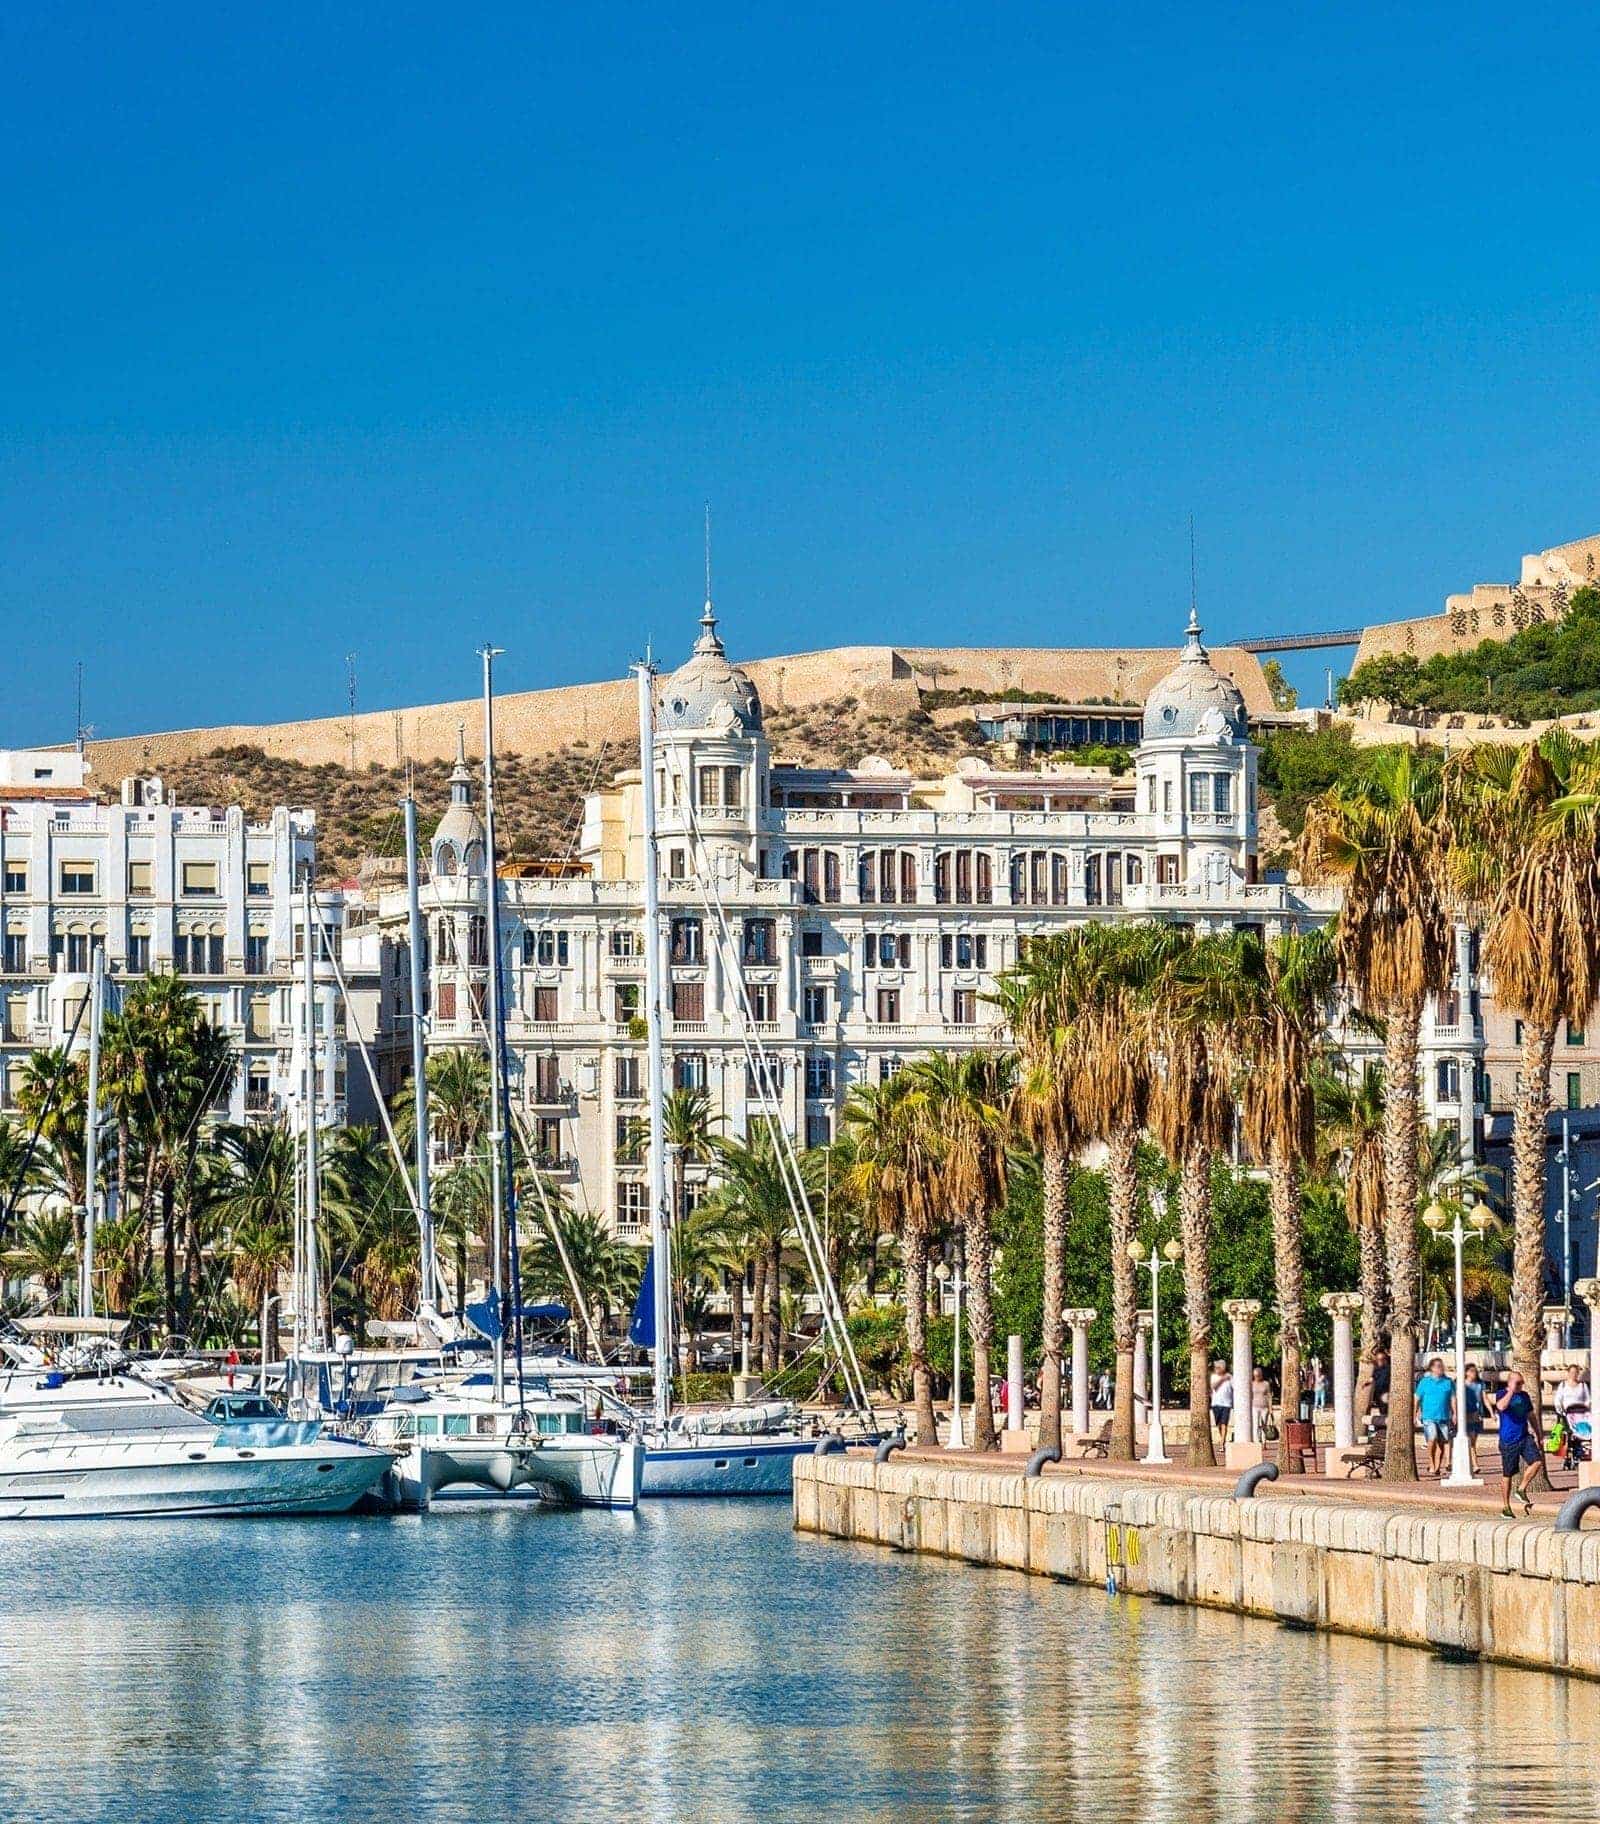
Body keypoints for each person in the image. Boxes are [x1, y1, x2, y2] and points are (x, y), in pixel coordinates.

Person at [1495, 1370, 1544, 1518]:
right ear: (1509, 1382)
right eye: (1517, 1383)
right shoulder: (1502, 1394)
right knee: (1508, 1474)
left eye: (1521, 1383)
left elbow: (1531, 1415)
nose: (1520, 1385)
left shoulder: (1524, 1396)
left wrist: (1539, 1434)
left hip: (1524, 1436)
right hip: (1508, 1440)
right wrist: (1511, 1391)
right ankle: (1506, 1506)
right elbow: (1501, 1407)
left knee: (1537, 1462)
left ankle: (1521, 1489)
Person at [1413, 1356, 1456, 1477]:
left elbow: (1453, 1398)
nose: (1440, 1368)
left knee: (1442, 1443)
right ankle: (1431, 1462)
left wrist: (1455, 1413)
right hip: (1428, 1416)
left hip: (1444, 1416)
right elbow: (1417, 1398)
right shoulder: (1425, 1382)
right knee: (1432, 1439)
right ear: (1431, 1368)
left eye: (1441, 1366)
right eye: (1437, 1366)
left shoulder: (1448, 1382)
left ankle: (1437, 1466)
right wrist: (1415, 1414)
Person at [1463, 1362, 1488, 1463]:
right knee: (1471, 1440)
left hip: (1478, 1414)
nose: (1474, 1373)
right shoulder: (1461, 1383)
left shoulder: (1480, 1384)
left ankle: (1471, 1461)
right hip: (1466, 1414)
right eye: (1472, 1371)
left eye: (1475, 1371)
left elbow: (1484, 1398)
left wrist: (1491, 1411)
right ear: (1466, 1372)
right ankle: (1475, 1463)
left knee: (1474, 1440)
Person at [1210, 1361, 1233, 1446]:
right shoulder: (1213, 1377)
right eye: (1215, 1368)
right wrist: (1222, 1379)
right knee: (1219, 1423)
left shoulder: (1230, 1377)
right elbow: (1213, 1387)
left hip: (1226, 1404)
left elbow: (1235, 1388)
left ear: (1223, 1368)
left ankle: (1222, 1442)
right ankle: (1222, 1438)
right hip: (1216, 1403)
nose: (1216, 1369)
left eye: (1218, 1368)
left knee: (1224, 1423)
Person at [1250, 1366, 1273, 1438]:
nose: (1257, 1377)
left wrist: (1270, 1407)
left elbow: (1269, 1396)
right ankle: (1257, 1441)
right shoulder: (1252, 1384)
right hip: (1254, 1406)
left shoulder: (1266, 1384)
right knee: (1256, 1424)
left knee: (1264, 1425)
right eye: (1255, 1376)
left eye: (1258, 1375)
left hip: (1264, 1407)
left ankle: (1264, 1441)